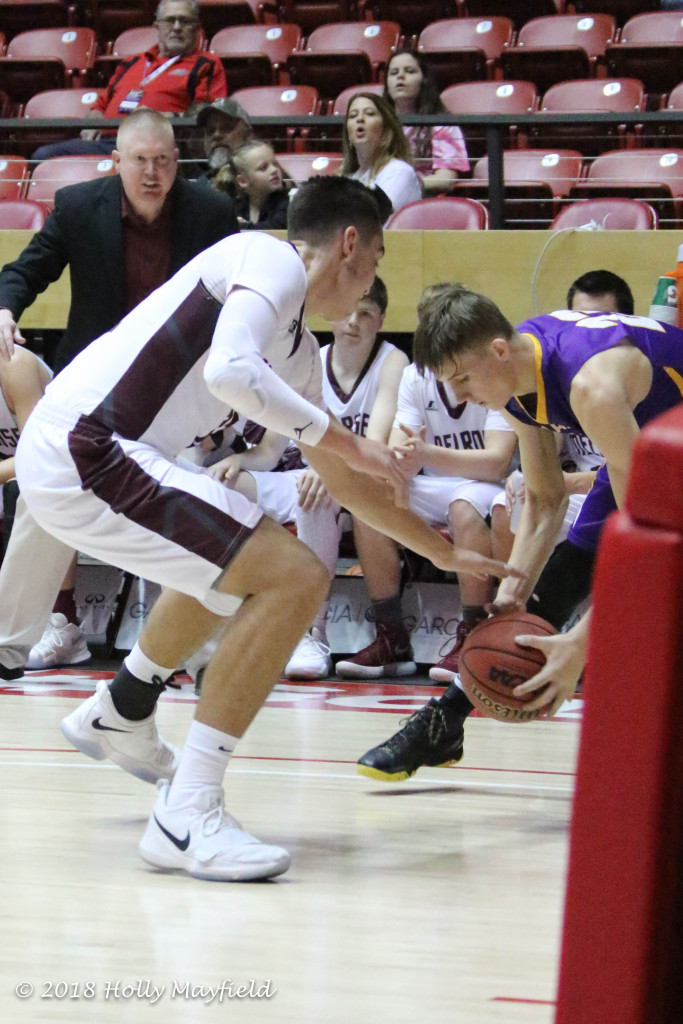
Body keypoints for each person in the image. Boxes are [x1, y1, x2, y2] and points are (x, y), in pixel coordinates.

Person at [16, 178, 521, 882]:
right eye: (375, 258)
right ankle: (186, 814)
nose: (372, 280)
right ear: (349, 246)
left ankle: (123, 708)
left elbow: (342, 484)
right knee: (293, 575)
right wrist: (354, 444)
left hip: (100, 457)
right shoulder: (266, 257)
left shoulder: (297, 353)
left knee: (238, 565)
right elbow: (229, 371)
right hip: (92, 446)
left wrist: (438, 546)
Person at [357, 272, 643, 781]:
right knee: (546, 592)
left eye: (462, 379)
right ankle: (443, 722)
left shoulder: (590, 387)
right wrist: (515, 586)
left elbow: (647, 539)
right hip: (655, 447)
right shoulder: (518, 374)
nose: (460, 398)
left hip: (668, 444)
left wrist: (581, 642)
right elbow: (546, 496)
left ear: (496, 351)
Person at [0, 108, 239, 679]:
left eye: (162, 161)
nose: (151, 173)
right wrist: (5, 309)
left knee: (183, 491)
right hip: (92, 388)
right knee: (40, 490)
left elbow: (237, 300)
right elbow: (25, 270)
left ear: (178, 162)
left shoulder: (211, 211)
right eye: (140, 161)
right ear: (118, 162)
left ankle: (186, 655)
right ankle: (6, 646)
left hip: (175, 392)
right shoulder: (81, 207)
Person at [210, 275, 407, 680]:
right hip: (308, 475)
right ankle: (215, 626)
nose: (353, 321)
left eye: (366, 314)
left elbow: (373, 446)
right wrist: (240, 463)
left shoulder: (393, 362)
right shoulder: (311, 359)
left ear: (381, 321)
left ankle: (310, 632)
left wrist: (329, 468)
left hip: (358, 483)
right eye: (349, 311)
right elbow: (270, 449)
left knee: (314, 492)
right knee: (220, 488)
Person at [338, 283, 516, 682]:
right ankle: (390, 634)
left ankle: (472, 632)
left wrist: (427, 455)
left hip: (484, 486)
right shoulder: (415, 376)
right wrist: (398, 473)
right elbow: (404, 450)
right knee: (370, 504)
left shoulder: (488, 372)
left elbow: (495, 462)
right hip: (435, 485)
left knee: (463, 508)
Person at [32, 0, 227, 161]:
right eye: (170, 21)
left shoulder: (206, 63)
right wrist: (93, 123)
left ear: (196, 28)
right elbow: (99, 107)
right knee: (43, 156)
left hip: (155, 145)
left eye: (184, 21)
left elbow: (208, 113)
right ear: (157, 26)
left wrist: (158, 117)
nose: (176, 27)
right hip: (108, 142)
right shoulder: (131, 62)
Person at [383, 49, 469, 193]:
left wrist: (403, 184)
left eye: (409, 71)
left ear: (424, 80)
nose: (400, 77)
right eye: (393, 73)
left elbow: (446, 179)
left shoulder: (442, 125)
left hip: (424, 202)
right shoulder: (377, 124)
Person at [341, 92, 422, 219]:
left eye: (369, 113)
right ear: (348, 134)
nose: (360, 119)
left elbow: (372, 219)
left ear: (386, 130)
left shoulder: (399, 171)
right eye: (352, 116)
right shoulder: (349, 178)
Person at [217, 140, 289, 230]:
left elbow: (274, 229)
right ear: (243, 181)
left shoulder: (286, 203)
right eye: (263, 167)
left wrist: (239, 226)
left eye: (275, 164)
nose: (274, 170)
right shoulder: (235, 205)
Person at [193, 97, 253, 185]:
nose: (216, 135)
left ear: (248, 136)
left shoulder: (262, 183)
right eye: (210, 130)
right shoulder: (199, 188)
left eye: (227, 128)